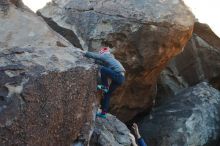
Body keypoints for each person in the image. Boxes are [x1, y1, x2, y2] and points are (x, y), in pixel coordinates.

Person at [84, 47, 125, 118]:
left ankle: (104, 86)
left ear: (103, 53)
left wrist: (85, 53)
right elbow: (101, 62)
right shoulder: (111, 59)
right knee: (107, 94)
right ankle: (103, 113)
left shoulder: (106, 56)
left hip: (118, 75)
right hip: (121, 78)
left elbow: (95, 56)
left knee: (102, 69)